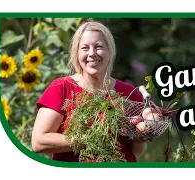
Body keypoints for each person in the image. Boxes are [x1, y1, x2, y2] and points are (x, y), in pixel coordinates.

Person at [31, 20, 148, 162]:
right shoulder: (62, 87)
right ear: (76, 53)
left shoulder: (129, 93)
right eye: (85, 48)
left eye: (98, 47)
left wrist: (139, 138)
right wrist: (89, 139)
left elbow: (136, 151)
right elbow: (39, 142)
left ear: (109, 51)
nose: (92, 53)